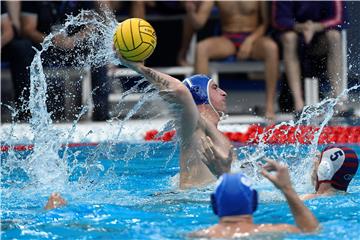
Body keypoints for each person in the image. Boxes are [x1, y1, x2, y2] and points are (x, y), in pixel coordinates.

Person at [115, 52, 236, 189]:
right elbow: (179, 91)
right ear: (200, 94)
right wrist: (139, 68)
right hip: (189, 204)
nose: (223, 92)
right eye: (214, 88)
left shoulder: (217, 135)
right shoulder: (195, 124)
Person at [187, 1, 279, 121]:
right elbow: (199, 23)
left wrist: (250, 41)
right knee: (202, 48)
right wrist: (191, 10)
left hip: (254, 38)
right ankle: (203, 106)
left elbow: (265, 23)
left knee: (271, 48)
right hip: (228, 38)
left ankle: (270, 107)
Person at [20, 1, 111, 121]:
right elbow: (27, 29)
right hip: (46, 46)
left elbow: (92, 25)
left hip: (76, 45)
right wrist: (52, 40)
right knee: (23, 48)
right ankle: (28, 111)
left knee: (98, 51)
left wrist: (74, 40)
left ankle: (101, 112)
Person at [190, 160, 319, 238]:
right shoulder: (275, 231)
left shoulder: (199, 236)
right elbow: (313, 232)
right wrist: (287, 189)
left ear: (214, 203)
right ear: (254, 201)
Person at [272, 1, 350, 116]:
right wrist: (301, 27)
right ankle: (298, 103)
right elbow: (278, 20)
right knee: (289, 38)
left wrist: (315, 27)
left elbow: (338, 18)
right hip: (294, 35)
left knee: (334, 36)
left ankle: (338, 99)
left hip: (319, 36)